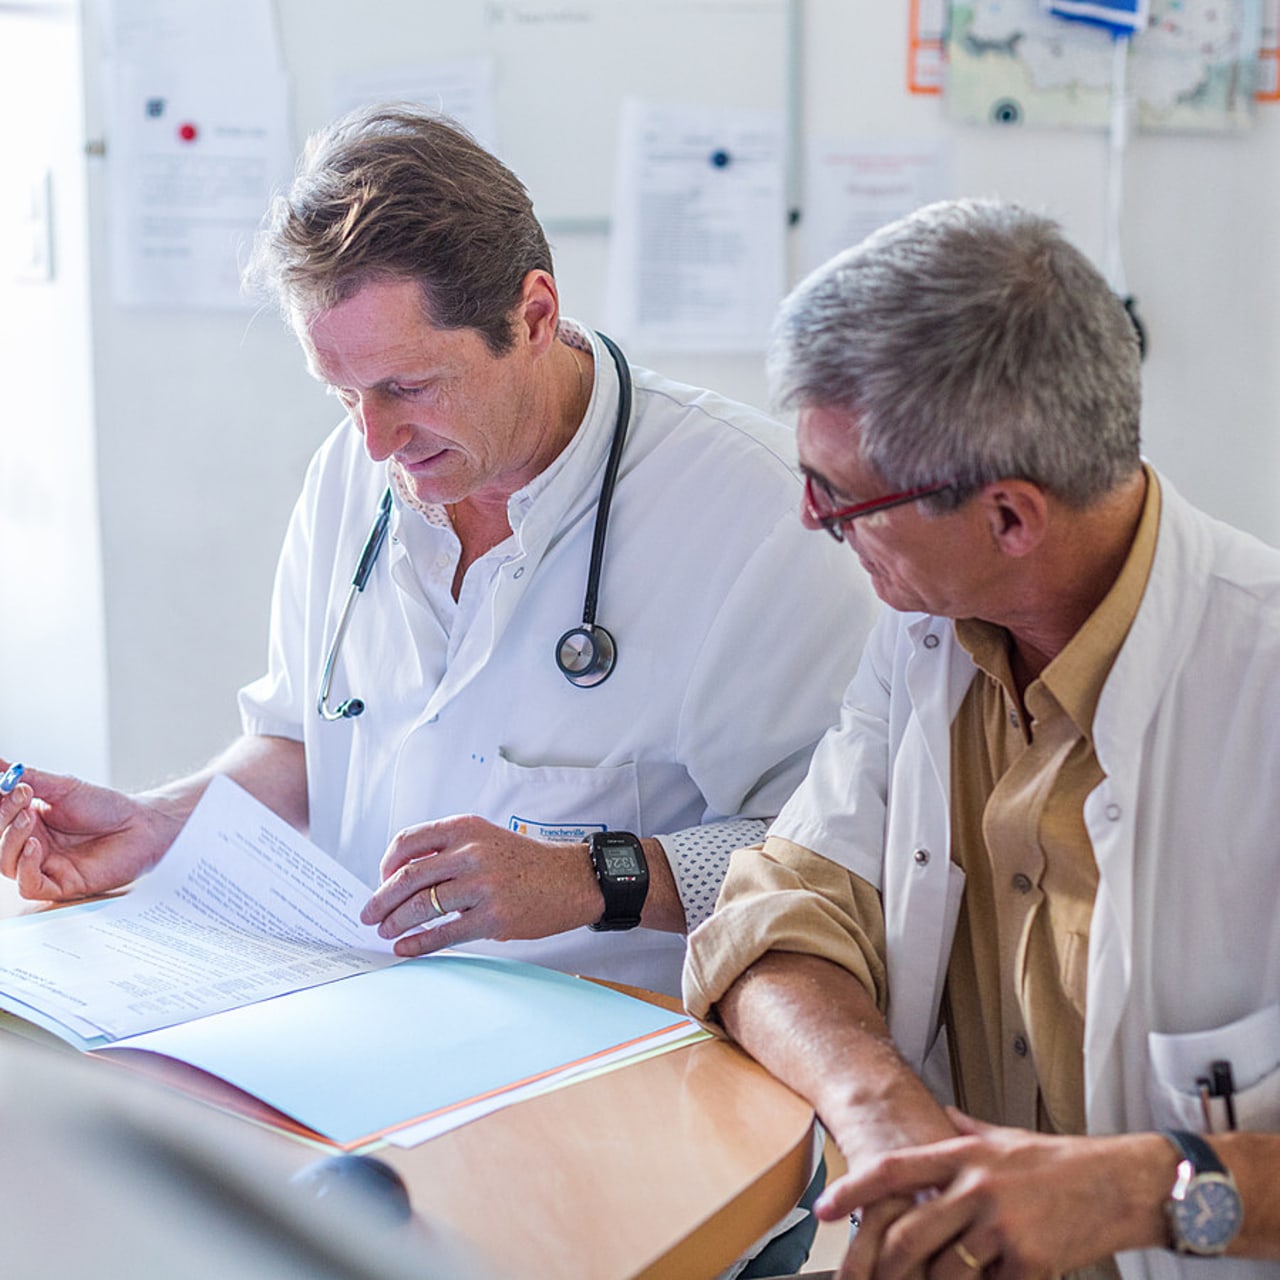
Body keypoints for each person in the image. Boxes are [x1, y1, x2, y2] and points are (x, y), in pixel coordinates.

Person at [0, 106, 876, 1274]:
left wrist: (585, 877)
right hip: (371, 1084)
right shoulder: (357, 473)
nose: (370, 442)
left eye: (407, 385)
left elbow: (828, 865)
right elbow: (308, 744)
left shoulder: (750, 517)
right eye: (339, 394)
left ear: (534, 315)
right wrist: (166, 823)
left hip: (643, 1101)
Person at [683, 197, 1280, 1280]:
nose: (813, 523)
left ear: (1008, 516)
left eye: (840, 497)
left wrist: (1133, 1188)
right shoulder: (923, 638)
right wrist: (880, 1110)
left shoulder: (1257, 679)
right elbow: (775, 914)